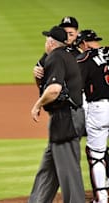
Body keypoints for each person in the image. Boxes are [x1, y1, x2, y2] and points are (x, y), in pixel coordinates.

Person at [29, 26, 86, 203]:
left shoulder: (55, 57)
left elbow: (54, 90)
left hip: (65, 119)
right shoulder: (67, 56)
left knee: (69, 171)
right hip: (65, 119)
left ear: (52, 43)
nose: (45, 42)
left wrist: (37, 105)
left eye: (47, 39)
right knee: (48, 169)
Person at [76, 29, 109, 203]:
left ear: (85, 43)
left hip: (100, 110)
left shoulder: (85, 58)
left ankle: (101, 199)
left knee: (96, 154)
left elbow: (77, 88)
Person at [34, 16, 81, 86]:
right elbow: (39, 77)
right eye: (65, 33)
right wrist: (37, 72)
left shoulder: (81, 52)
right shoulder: (52, 51)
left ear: (77, 33)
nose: (67, 37)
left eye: (71, 34)